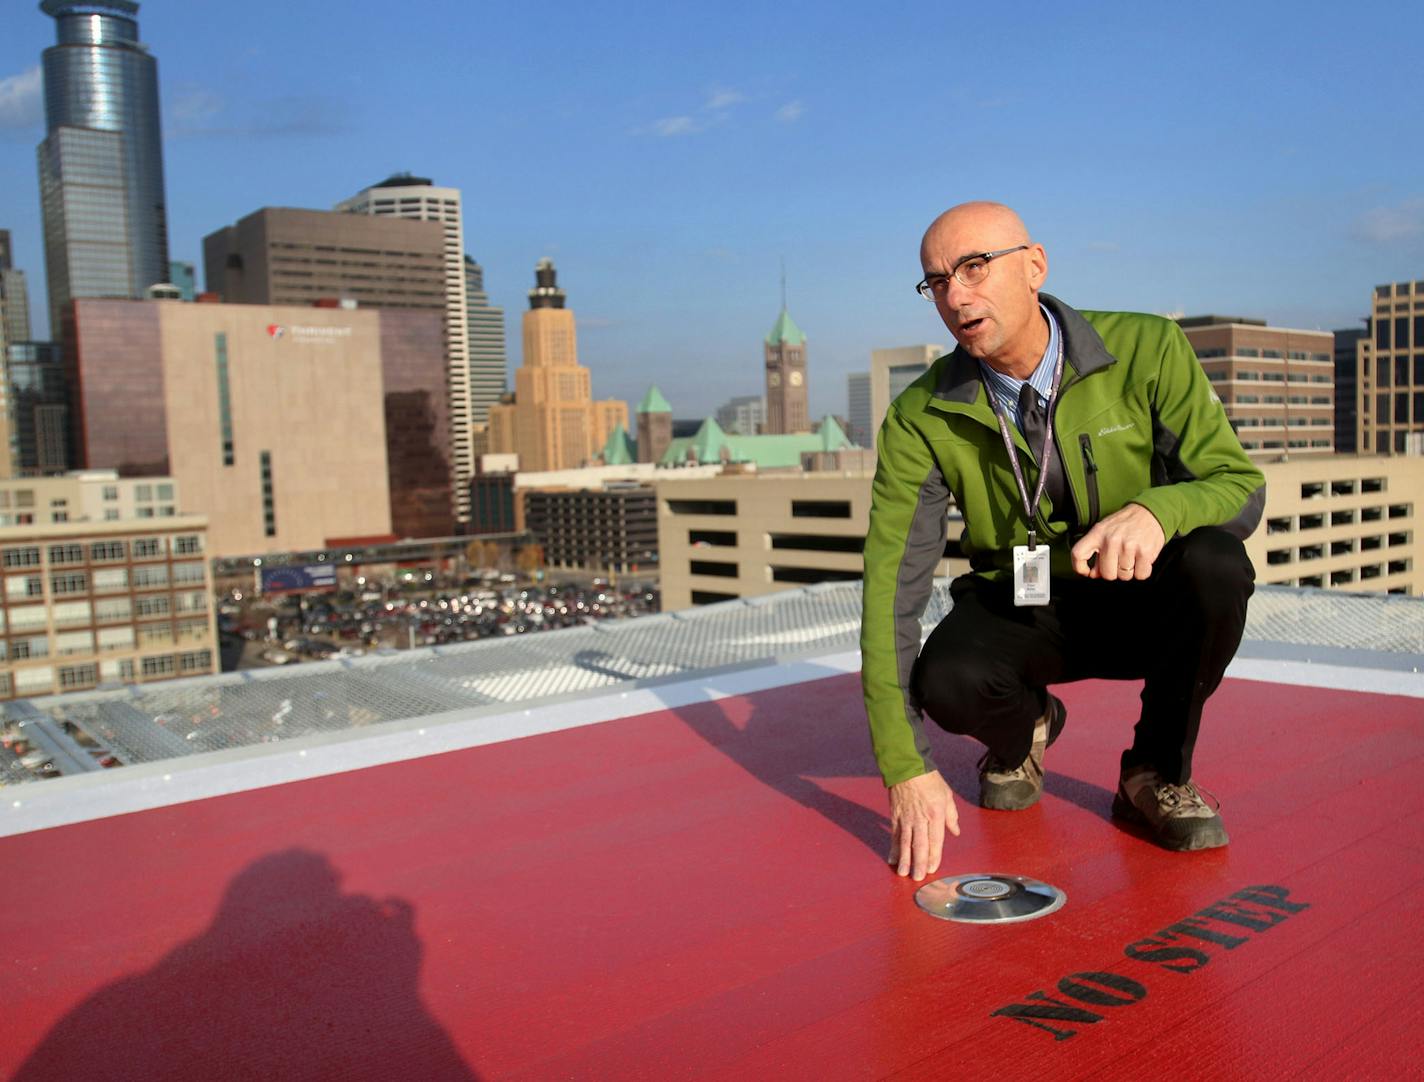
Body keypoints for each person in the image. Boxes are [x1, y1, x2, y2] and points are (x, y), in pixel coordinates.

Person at [860, 202, 1264, 881]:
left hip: (1141, 597)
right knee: (948, 679)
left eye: (975, 267)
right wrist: (906, 768)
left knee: (1218, 567)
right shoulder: (920, 414)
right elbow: (891, 585)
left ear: (1035, 265)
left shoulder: (1147, 349)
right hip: (1026, 603)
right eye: (936, 281)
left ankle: (1154, 770)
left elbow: (1240, 488)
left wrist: (1158, 510)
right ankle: (1028, 728)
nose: (956, 296)